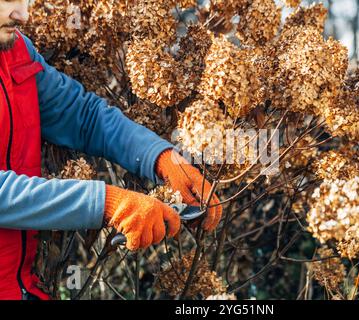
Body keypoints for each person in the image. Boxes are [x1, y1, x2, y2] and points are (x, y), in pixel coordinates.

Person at [0, 0, 222, 300]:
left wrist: (162, 158)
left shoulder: (15, 50)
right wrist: (106, 202)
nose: (23, 15)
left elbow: (83, 116)